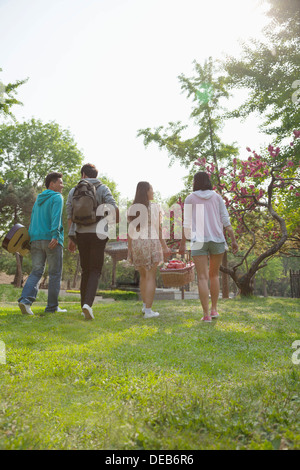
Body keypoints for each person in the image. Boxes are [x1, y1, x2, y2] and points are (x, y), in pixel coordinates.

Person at [179, 171, 238, 322]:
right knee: (214, 275)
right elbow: (226, 220)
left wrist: (182, 244)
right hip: (217, 239)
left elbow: (186, 223)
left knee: (202, 278)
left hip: (198, 240)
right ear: (208, 182)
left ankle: (206, 315)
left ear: (195, 182)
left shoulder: (190, 198)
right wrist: (233, 240)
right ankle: (214, 310)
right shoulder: (217, 197)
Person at [67, 163, 119, 320]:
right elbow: (113, 209)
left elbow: (69, 215)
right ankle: (87, 305)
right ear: (96, 175)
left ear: (83, 175)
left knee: (86, 270)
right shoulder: (103, 189)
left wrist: (72, 237)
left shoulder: (73, 191)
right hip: (98, 234)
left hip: (80, 233)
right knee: (95, 269)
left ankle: (84, 304)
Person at [18, 172, 67, 315]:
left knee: (36, 271)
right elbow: (56, 217)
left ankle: (25, 301)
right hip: (51, 239)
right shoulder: (57, 197)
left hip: (35, 240)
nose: (62, 186)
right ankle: (52, 307)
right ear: (52, 184)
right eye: (61, 182)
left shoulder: (38, 200)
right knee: (55, 273)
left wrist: (30, 239)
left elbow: (32, 220)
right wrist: (55, 235)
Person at [127, 182, 171, 318]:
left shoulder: (132, 209)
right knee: (151, 276)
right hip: (151, 242)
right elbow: (158, 229)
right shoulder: (155, 208)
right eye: (151, 189)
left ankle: (145, 305)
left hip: (137, 243)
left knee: (143, 276)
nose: (153, 192)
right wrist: (164, 246)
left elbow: (130, 232)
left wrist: (130, 250)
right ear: (146, 191)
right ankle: (148, 310)